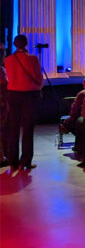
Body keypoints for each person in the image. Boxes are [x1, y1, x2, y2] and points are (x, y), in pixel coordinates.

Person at [4, 35, 44, 170]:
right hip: (30, 94)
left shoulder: (8, 59)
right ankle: (25, 161)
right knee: (28, 128)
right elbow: (39, 78)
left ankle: (12, 161)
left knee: (13, 127)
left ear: (14, 44)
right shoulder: (32, 59)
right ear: (26, 44)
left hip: (13, 94)